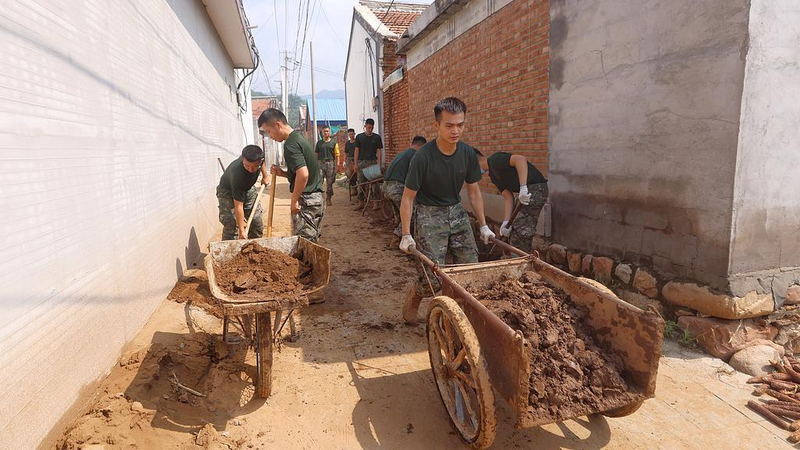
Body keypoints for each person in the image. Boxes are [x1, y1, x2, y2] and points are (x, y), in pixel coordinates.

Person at [398, 98, 495, 323]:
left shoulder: (468, 154)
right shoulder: (422, 157)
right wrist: (405, 233)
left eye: (460, 125)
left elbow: (473, 192)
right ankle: (416, 293)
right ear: (437, 126)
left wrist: (483, 225)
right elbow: (407, 198)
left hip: (456, 212)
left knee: (470, 270)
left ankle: (459, 319)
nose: (455, 131)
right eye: (449, 125)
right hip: (429, 215)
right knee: (432, 278)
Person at [257, 108, 325, 242]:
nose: (270, 136)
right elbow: (302, 172)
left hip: (307, 200)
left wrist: (294, 200)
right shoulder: (299, 138)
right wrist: (282, 173)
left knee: (305, 244)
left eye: (269, 131)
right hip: (315, 198)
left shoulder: (290, 144)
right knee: (312, 242)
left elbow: (303, 175)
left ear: (278, 125)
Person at [476, 150, 548, 253]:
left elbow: (520, 159)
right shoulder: (493, 177)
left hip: (536, 188)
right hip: (527, 192)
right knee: (515, 229)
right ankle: (521, 258)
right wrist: (506, 222)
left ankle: (521, 261)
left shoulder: (495, 160)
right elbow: (508, 197)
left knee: (520, 230)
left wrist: (523, 187)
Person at [216, 145, 269, 240]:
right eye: (247, 165)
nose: (250, 169)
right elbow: (238, 206)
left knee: (256, 222)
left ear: (260, 161)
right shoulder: (237, 175)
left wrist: (265, 175)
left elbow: (262, 163)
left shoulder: (258, 159)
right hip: (227, 191)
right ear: (242, 159)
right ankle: (230, 250)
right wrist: (241, 230)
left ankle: (255, 249)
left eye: (254, 166)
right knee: (232, 225)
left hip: (247, 187)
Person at [382, 136, 427, 245]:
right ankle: (397, 237)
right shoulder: (415, 155)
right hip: (397, 187)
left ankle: (400, 235)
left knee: (399, 214)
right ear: (422, 146)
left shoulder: (403, 153)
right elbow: (414, 176)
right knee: (410, 213)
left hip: (386, 187)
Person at [353, 118, 383, 210]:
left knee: (374, 184)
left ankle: (375, 203)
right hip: (362, 162)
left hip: (373, 162)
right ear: (365, 126)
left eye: (372, 128)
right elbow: (356, 150)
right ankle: (361, 202)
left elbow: (379, 151)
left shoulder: (377, 138)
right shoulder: (359, 137)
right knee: (361, 183)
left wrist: (379, 163)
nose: (370, 129)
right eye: (368, 127)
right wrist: (355, 164)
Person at [315, 125, 339, 206]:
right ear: (322, 133)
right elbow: (316, 154)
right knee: (319, 182)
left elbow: (337, 155)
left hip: (330, 164)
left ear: (329, 132)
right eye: (324, 131)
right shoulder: (319, 143)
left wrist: (337, 165)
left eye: (327, 131)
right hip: (320, 164)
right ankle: (320, 199)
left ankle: (328, 198)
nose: (326, 133)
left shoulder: (334, 143)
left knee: (329, 182)